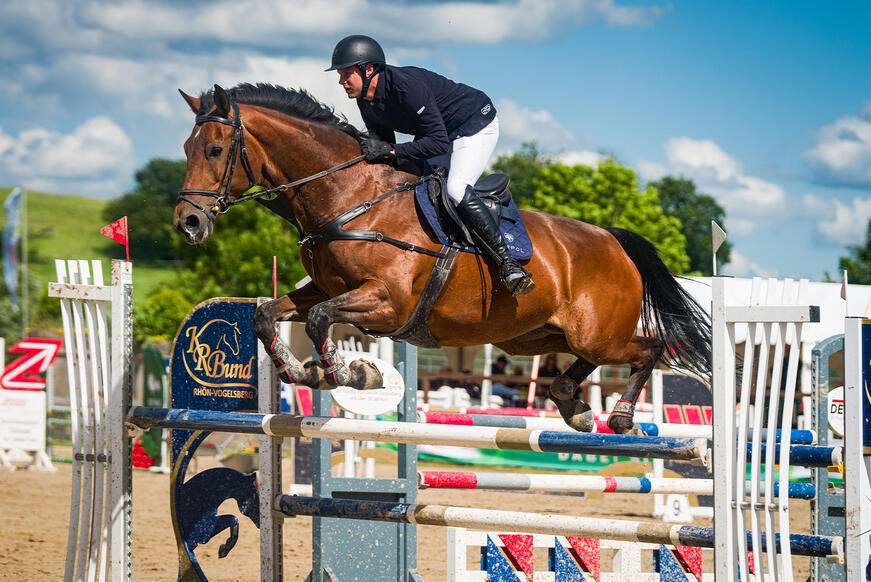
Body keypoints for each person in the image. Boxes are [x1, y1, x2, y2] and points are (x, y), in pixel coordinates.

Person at [327, 34, 534, 296]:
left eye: (346, 74)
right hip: (441, 134)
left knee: (456, 189)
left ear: (368, 69)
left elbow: (433, 143)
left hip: (473, 124)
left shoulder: (406, 87)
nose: (341, 81)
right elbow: (387, 148)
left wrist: (391, 150)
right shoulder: (365, 100)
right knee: (408, 182)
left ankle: (509, 264)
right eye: (341, 75)